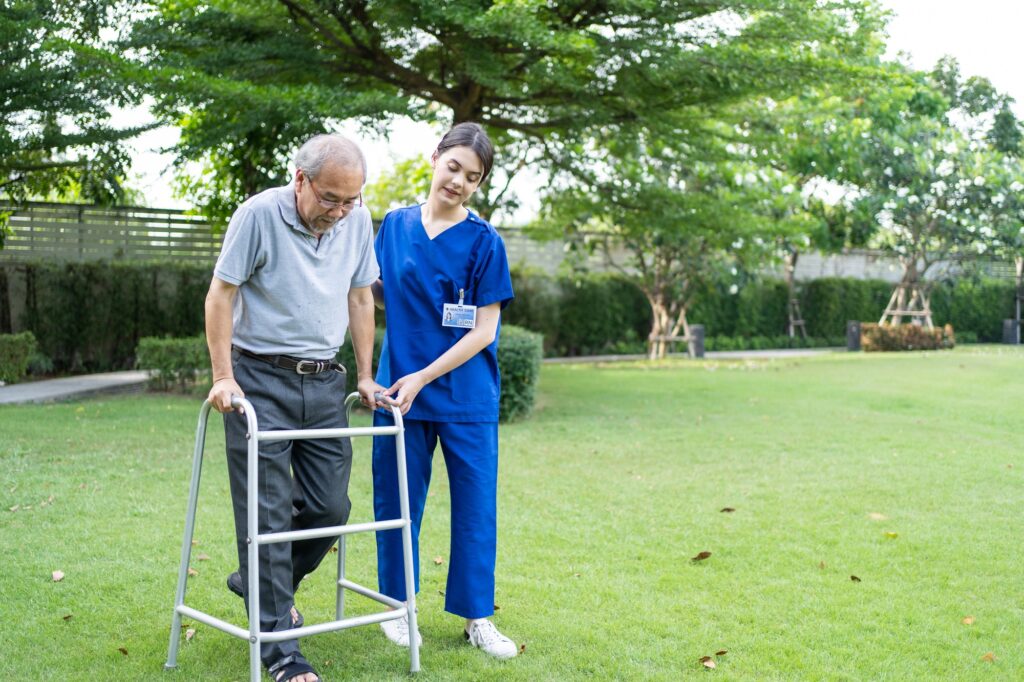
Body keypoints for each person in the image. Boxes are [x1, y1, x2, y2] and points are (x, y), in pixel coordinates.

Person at [205, 133, 386, 682]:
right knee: (266, 510)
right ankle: (281, 652)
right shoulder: (258, 215)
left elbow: (360, 297)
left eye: (350, 200)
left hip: (325, 383)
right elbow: (221, 295)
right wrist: (222, 377)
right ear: (300, 179)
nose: (339, 211)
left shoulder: (356, 219)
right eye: (330, 198)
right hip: (258, 380)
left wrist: (364, 375)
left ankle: (258, 581)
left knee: (331, 508)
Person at [370, 122, 518, 659]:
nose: (458, 182)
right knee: (396, 501)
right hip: (396, 394)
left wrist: (424, 376)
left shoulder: (485, 243)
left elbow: (484, 330)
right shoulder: (393, 225)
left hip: (464, 397)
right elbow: (381, 296)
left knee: (476, 506)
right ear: (435, 157)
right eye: (454, 167)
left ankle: (478, 618)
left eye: (472, 178)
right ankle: (396, 607)